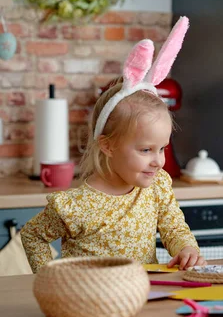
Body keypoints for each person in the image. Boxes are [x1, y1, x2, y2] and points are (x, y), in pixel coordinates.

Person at [21, 17, 204, 273]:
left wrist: (187, 249)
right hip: (90, 306)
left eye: (161, 148)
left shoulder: (157, 186)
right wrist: (52, 279)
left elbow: (174, 229)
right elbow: (32, 236)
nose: (158, 161)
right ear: (108, 146)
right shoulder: (75, 206)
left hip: (144, 297)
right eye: (145, 150)